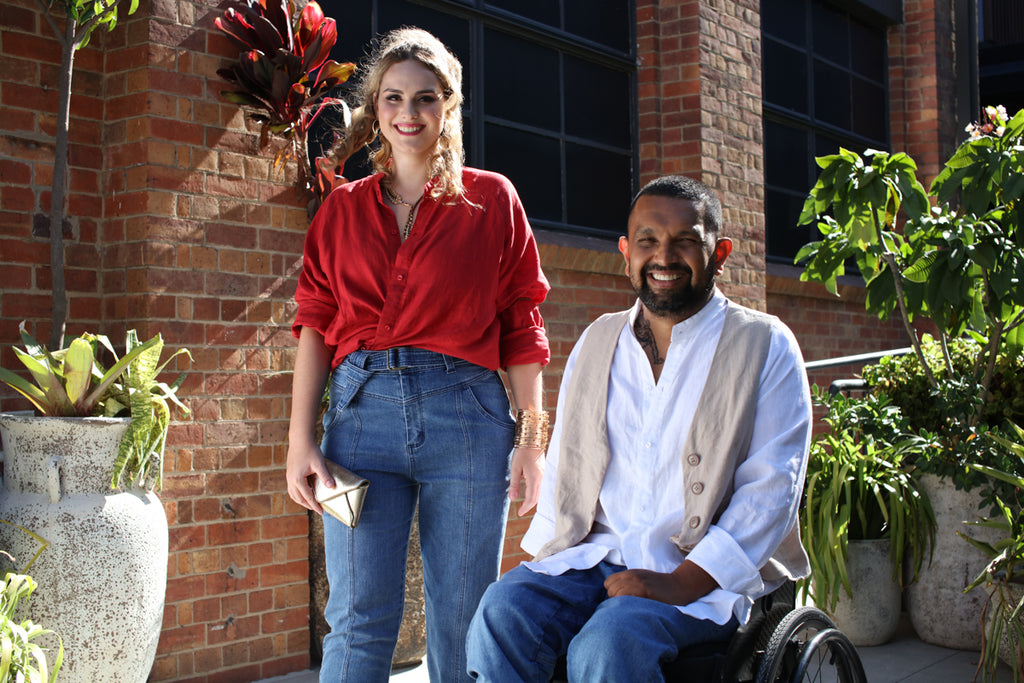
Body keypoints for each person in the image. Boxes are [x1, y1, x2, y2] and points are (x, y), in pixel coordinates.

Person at [466, 175, 813, 682]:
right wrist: (550, 559)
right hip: (597, 558)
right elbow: (569, 461)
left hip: (703, 578)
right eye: (648, 241)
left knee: (609, 645)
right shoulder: (598, 338)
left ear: (719, 252)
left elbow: (771, 492)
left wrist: (679, 584)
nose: (664, 257)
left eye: (685, 242)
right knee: (501, 612)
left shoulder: (764, 345)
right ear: (627, 252)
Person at [285, 27, 551, 683]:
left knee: (463, 624)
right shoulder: (340, 211)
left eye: (426, 99)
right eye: (395, 98)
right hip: (357, 423)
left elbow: (522, 326)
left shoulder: (494, 201)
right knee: (357, 620)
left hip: (468, 420)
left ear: (449, 106)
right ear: (375, 108)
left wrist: (531, 441)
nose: (409, 114)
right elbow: (315, 326)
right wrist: (300, 440)